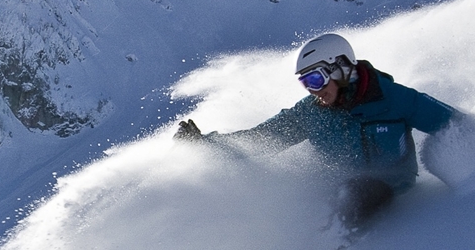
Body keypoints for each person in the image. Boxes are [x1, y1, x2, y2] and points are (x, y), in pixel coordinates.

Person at [174, 33, 460, 231]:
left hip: (388, 194)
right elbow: (262, 140)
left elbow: (455, 126)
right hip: (333, 193)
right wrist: (205, 144)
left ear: (341, 68)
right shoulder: (312, 112)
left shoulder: (395, 100)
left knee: (360, 191)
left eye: (316, 78)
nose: (314, 91)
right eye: (305, 83)